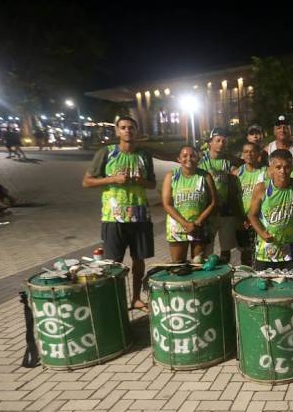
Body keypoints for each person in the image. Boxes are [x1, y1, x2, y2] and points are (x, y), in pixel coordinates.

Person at [82, 116, 155, 311]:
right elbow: (86, 181)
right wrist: (112, 179)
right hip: (113, 217)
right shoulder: (106, 153)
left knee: (139, 261)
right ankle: (116, 302)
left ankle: (136, 298)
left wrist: (140, 181)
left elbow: (152, 183)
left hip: (140, 216)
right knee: (113, 264)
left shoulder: (144, 155)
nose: (127, 130)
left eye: (131, 127)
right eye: (123, 127)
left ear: (136, 131)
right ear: (117, 131)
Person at [248, 150, 293, 270]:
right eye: (278, 167)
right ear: (271, 169)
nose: (282, 171)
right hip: (267, 251)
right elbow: (252, 215)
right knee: (264, 281)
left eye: (287, 167)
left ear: (292, 167)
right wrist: (261, 232)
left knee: (292, 282)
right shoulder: (262, 188)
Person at [162, 146, 217, 262]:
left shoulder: (205, 176)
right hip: (177, 226)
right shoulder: (171, 176)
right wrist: (185, 223)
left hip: (199, 226)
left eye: (193, 156)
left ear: (198, 158)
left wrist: (198, 221)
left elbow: (213, 202)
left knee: (198, 264)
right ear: (178, 159)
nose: (189, 159)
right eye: (185, 156)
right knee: (178, 265)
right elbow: (167, 204)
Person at [199, 128, 239, 263]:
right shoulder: (201, 161)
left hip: (226, 211)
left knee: (226, 249)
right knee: (206, 249)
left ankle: (225, 271)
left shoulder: (228, 161)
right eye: (218, 140)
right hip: (208, 212)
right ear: (210, 142)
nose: (221, 143)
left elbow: (237, 172)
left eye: (223, 141)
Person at [235, 142, 269, 267]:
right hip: (244, 219)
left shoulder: (266, 171)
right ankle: (247, 274)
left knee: (262, 250)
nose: (249, 154)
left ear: (258, 154)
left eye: (252, 151)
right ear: (242, 155)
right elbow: (233, 198)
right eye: (246, 151)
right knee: (246, 252)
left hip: (261, 218)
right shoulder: (237, 173)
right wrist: (241, 218)